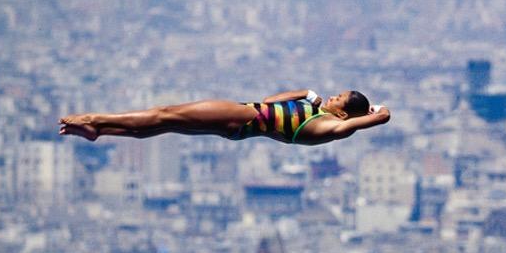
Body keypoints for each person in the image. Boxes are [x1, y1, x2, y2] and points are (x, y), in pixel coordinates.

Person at [59, 88, 389, 145]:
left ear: (343, 112)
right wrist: (304, 93)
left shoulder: (333, 126)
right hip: (247, 117)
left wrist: (374, 109)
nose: (331, 97)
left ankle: (94, 118)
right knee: (166, 124)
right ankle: (100, 130)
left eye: (338, 98)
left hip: (243, 116)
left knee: (166, 113)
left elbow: (382, 116)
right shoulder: (315, 112)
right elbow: (270, 100)